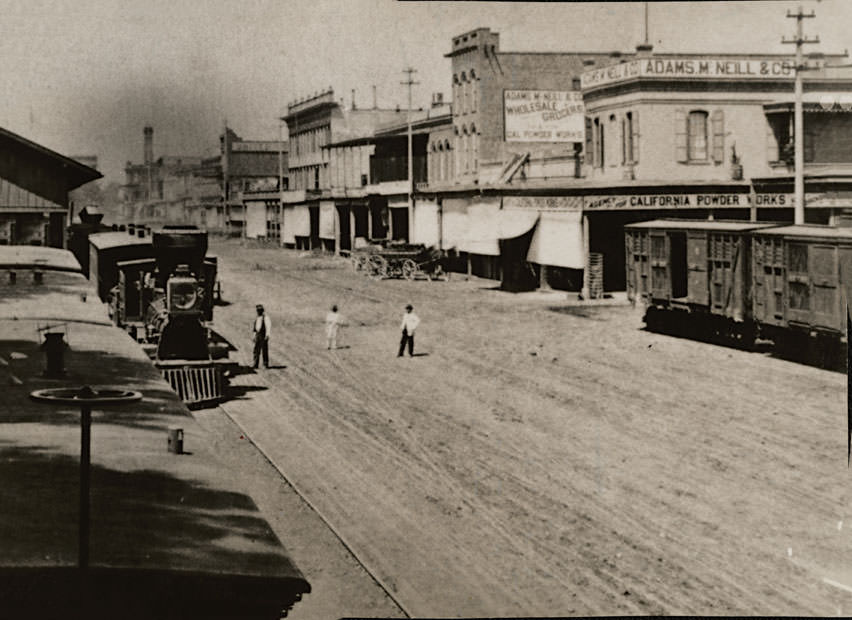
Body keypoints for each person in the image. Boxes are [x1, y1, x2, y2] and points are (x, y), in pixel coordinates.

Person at [252, 304, 271, 368]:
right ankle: (255, 364)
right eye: (257, 310)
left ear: (262, 311)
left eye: (259, 310)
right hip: (258, 335)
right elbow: (255, 328)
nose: (258, 312)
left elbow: (268, 327)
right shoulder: (257, 318)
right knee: (256, 350)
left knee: (264, 349)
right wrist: (254, 336)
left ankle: (265, 363)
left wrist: (267, 335)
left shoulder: (265, 318)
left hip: (263, 335)